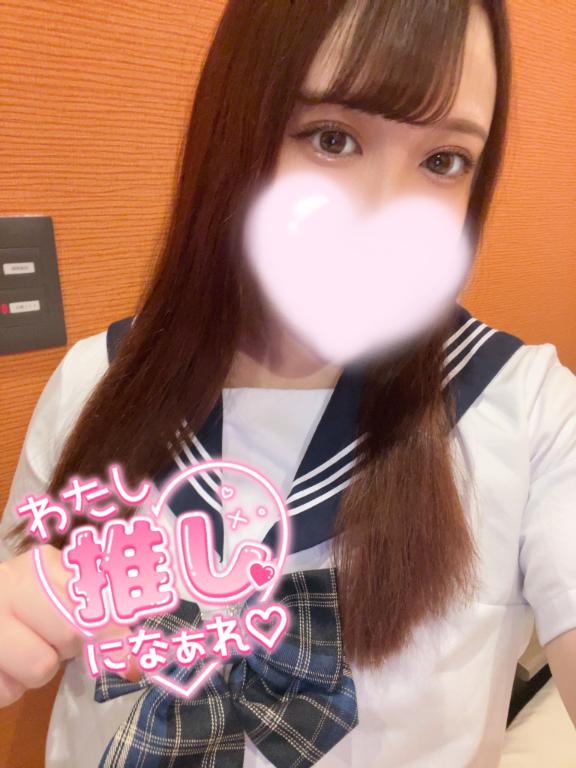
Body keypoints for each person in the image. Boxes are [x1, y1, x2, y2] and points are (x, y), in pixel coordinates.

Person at [1, 0, 575, 766]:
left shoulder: (529, 411)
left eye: (444, 161)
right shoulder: (93, 383)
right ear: (234, 134)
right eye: (332, 138)